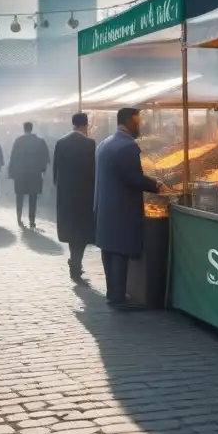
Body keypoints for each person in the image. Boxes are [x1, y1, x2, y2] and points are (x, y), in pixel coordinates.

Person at [94, 108, 164, 309]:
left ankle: (112, 293)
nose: (139, 125)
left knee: (108, 249)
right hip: (121, 208)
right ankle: (118, 297)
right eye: (137, 122)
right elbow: (134, 177)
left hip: (105, 206)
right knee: (119, 251)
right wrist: (156, 185)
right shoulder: (127, 146)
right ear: (126, 121)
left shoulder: (104, 144)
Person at [54, 113, 96, 284]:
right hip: (84, 194)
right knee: (83, 231)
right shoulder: (90, 143)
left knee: (71, 230)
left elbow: (55, 172)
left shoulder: (61, 142)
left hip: (66, 194)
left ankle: (74, 261)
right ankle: (76, 263)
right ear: (85, 125)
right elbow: (94, 171)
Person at [8, 122, 50, 228]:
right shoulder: (40, 142)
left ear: (24, 129)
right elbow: (45, 159)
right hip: (34, 175)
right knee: (33, 198)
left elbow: (12, 158)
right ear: (32, 128)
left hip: (20, 175)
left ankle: (19, 218)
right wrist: (42, 171)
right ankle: (32, 220)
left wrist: (11, 174)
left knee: (19, 197)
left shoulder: (18, 141)